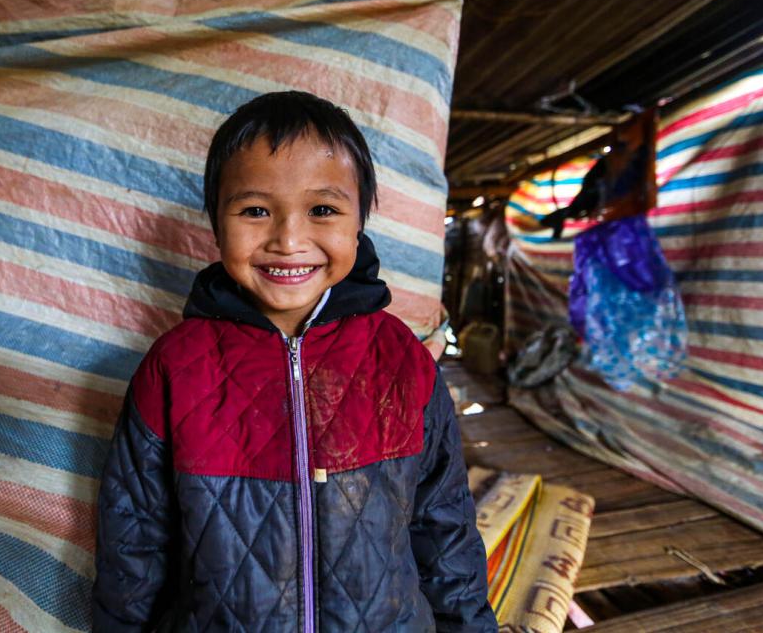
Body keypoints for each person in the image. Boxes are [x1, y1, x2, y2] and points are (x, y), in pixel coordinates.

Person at [92, 91, 496, 632]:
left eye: (322, 210)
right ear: (215, 224)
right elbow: (133, 539)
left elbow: (444, 527)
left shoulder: (402, 360)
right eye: (255, 210)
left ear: (359, 223)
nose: (288, 239)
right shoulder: (175, 366)